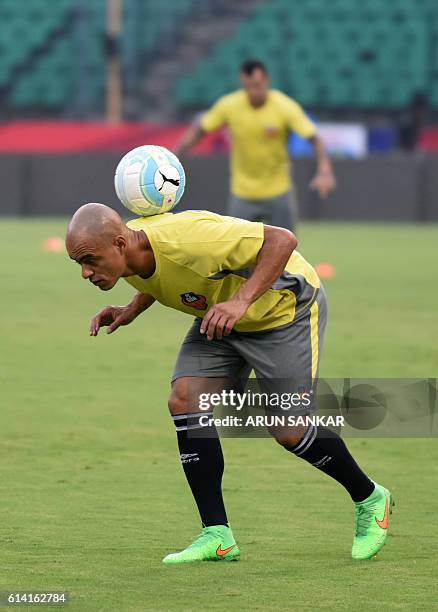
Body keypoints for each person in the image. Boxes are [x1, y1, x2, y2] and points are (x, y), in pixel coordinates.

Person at [66, 202, 392, 564]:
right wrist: (132, 308)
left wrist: (239, 300)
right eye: (79, 263)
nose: (85, 272)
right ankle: (217, 535)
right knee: (185, 399)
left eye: (90, 260)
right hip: (222, 318)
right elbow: (164, 277)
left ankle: (370, 497)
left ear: (119, 243)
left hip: (283, 310)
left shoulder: (191, 240)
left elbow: (283, 240)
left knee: (289, 431)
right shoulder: (127, 255)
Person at [175, 59, 336, 231]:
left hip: (278, 191)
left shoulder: (284, 106)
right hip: (243, 193)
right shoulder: (230, 105)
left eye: (256, 85)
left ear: (267, 81)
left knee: (287, 249)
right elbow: (200, 129)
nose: (252, 91)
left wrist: (324, 170)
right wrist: (175, 158)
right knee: (235, 251)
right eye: (247, 86)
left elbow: (315, 138)